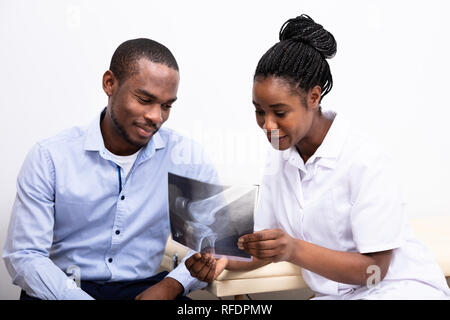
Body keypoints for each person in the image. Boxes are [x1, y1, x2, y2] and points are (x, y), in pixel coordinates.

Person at [185, 14, 450, 299]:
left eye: (279, 112)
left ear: (313, 97)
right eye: (259, 111)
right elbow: (268, 245)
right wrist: (224, 259)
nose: (267, 125)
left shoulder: (364, 160)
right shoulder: (279, 158)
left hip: (398, 289)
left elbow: (374, 272)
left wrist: (294, 249)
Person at [3, 38, 217, 300]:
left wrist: (172, 285)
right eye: (144, 99)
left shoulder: (187, 156)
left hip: (148, 288)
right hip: (64, 289)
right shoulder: (50, 157)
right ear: (109, 83)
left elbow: (213, 243)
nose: (156, 116)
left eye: (166, 105)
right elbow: (24, 255)